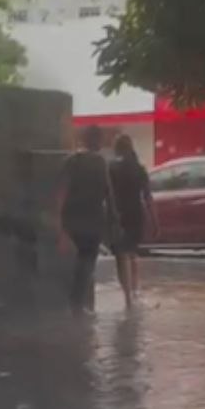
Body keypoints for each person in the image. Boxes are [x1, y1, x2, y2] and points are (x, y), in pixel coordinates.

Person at [59, 126, 116, 314]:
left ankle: (77, 305)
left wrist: (59, 225)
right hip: (93, 223)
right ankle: (81, 306)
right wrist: (113, 221)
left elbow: (62, 193)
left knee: (76, 265)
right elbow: (109, 195)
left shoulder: (71, 161)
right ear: (98, 142)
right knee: (86, 264)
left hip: (72, 222)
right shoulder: (101, 163)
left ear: (83, 139)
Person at [108, 134, 157, 309]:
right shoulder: (139, 168)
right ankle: (135, 292)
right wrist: (154, 219)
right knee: (132, 253)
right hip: (136, 214)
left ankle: (128, 296)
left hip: (118, 215)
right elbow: (148, 197)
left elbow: (107, 195)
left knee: (122, 256)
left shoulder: (112, 168)